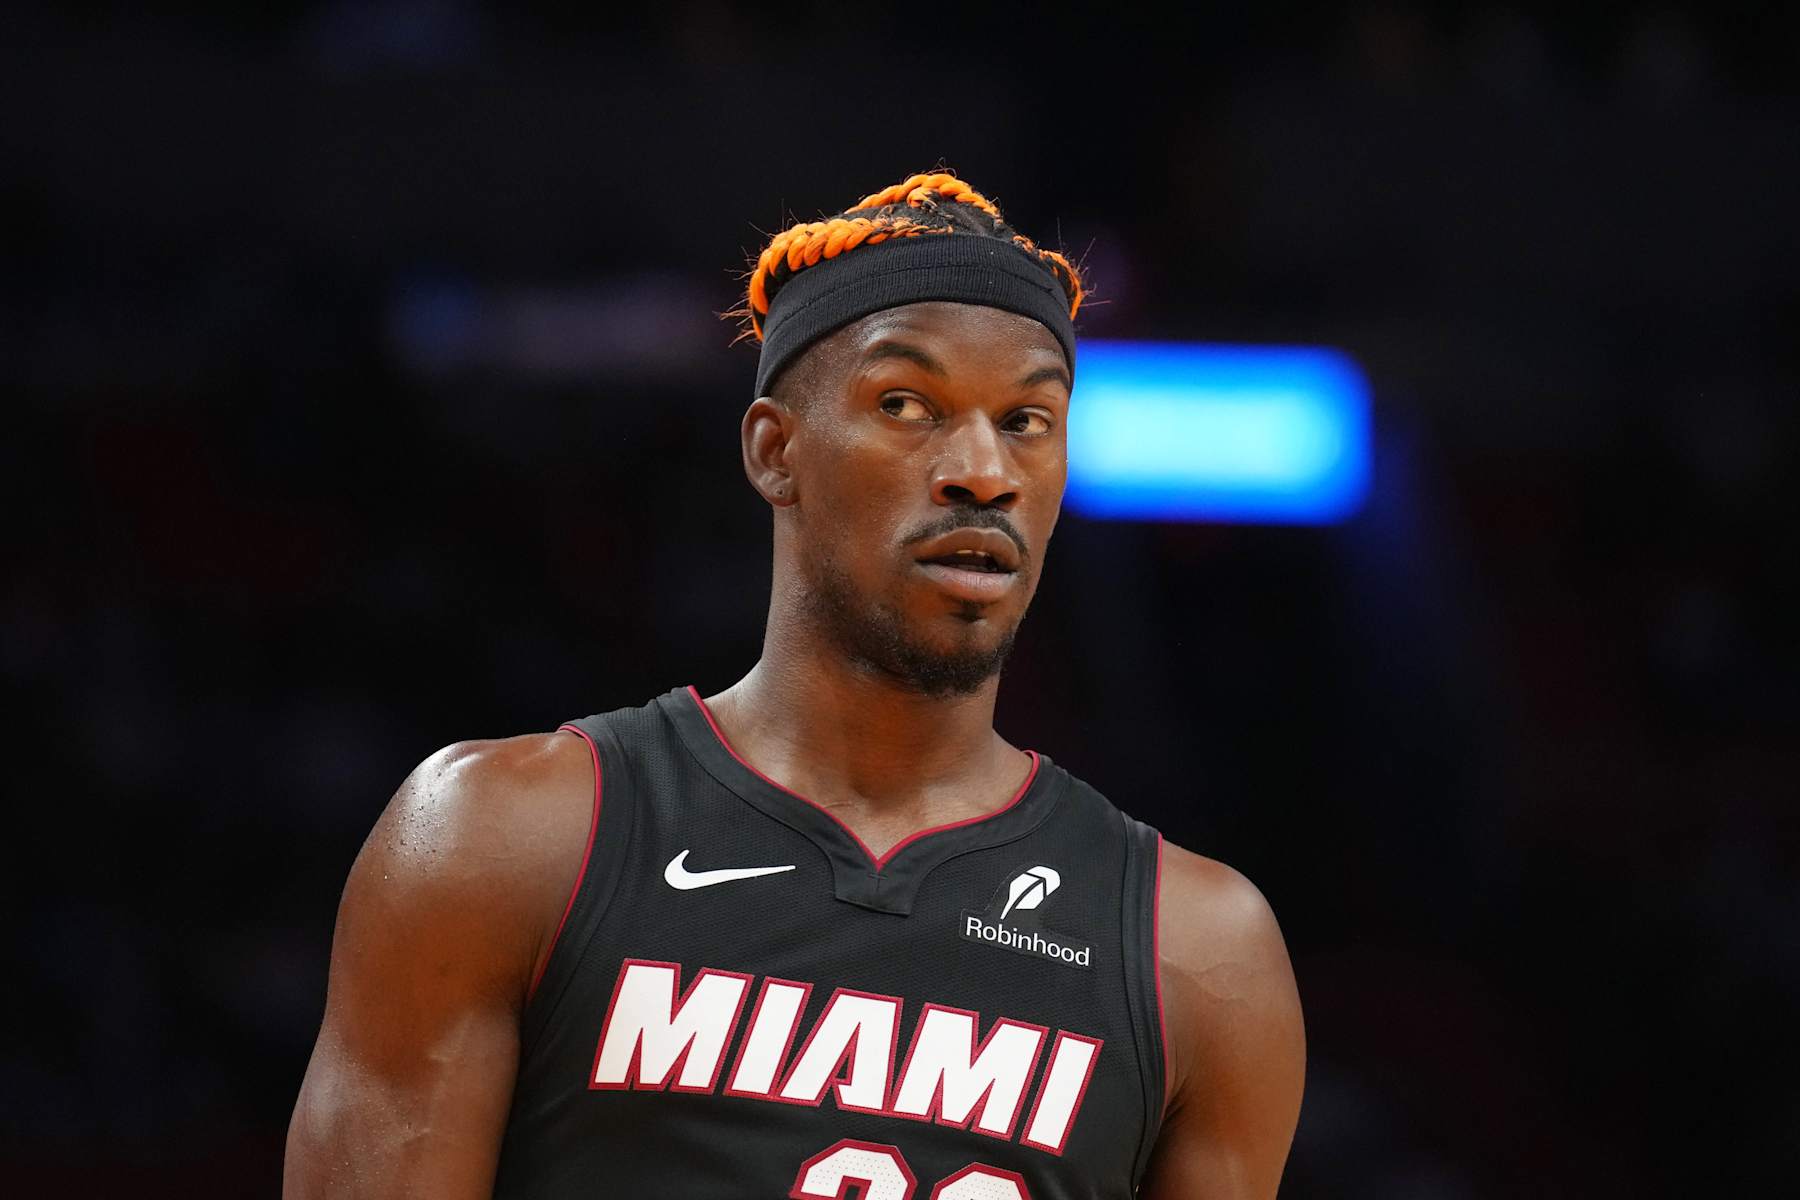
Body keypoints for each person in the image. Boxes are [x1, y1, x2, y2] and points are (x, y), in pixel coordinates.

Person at [284, 172, 1305, 1198]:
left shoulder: (1200, 952)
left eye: (1028, 420)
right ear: (777, 453)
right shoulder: (502, 839)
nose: (981, 470)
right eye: (907, 405)